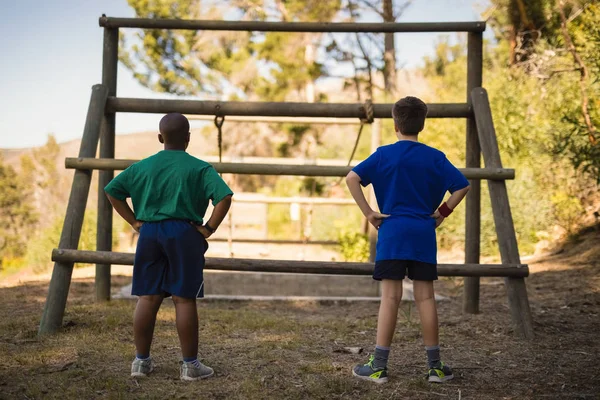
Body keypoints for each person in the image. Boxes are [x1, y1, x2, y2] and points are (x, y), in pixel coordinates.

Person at [346, 96, 470, 384]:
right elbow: (462, 186)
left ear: (395, 124)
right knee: (425, 298)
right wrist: (441, 213)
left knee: (390, 298)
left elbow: (352, 178)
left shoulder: (383, 154)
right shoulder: (435, 157)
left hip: (391, 234)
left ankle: (378, 366)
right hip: (423, 234)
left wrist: (369, 213)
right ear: (422, 124)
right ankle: (435, 368)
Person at [104, 113, 233, 381]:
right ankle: (190, 366)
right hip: (184, 233)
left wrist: (134, 222)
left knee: (147, 297)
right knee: (183, 299)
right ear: (188, 138)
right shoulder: (199, 168)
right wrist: (209, 228)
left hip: (149, 233)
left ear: (160, 138)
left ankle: (141, 362)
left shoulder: (142, 166)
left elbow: (112, 190)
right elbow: (224, 197)